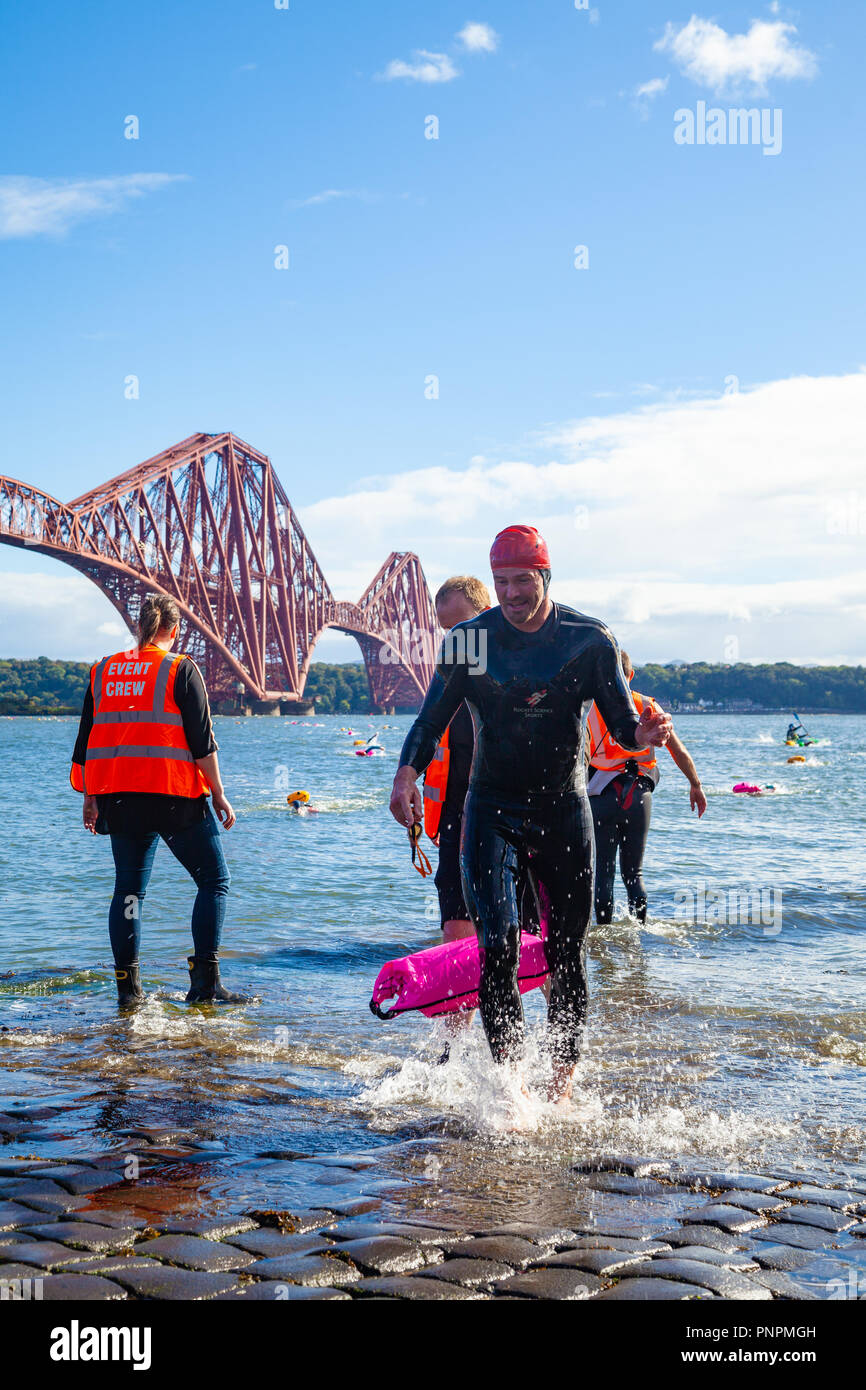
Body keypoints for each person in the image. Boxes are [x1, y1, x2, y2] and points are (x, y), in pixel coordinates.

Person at [390, 525, 671, 1101]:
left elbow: (621, 725)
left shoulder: (589, 640)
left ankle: (560, 1084)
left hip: (564, 810)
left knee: (567, 950)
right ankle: (514, 1087)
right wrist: (405, 775)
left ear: (545, 576)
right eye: (501, 582)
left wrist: (642, 733)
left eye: (523, 580)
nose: (512, 593)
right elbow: (430, 720)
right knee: (498, 946)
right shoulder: (469, 641)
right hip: (490, 809)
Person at [71, 594, 246, 1007]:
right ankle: (205, 985)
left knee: (129, 891)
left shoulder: (103, 671)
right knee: (213, 881)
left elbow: (86, 743)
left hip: (120, 798)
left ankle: (129, 993)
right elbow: (202, 744)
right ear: (175, 630)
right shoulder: (180, 669)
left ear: (140, 627)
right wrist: (219, 794)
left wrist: (90, 797)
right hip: (174, 796)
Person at [587, 650, 707, 925]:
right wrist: (695, 785)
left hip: (601, 795)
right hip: (639, 795)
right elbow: (678, 752)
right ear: (629, 676)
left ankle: (604, 937)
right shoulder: (648, 707)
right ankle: (639, 934)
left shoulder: (589, 708)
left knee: (603, 873)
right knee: (634, 874)